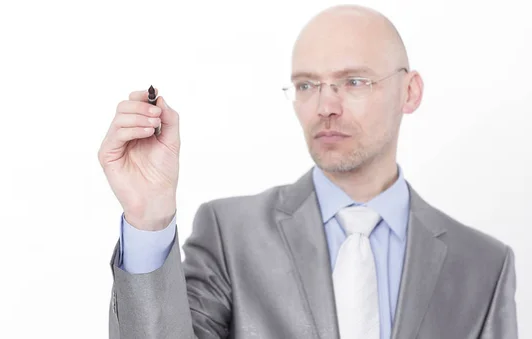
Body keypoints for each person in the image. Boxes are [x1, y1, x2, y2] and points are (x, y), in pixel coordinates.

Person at [97, 4, 518, 339]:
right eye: (306, 85)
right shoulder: (231, 234)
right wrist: (149, 219)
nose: (325, 106)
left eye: (353, 82)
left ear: (410, 92)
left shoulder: (484, 265)